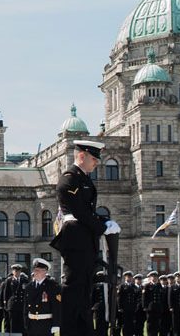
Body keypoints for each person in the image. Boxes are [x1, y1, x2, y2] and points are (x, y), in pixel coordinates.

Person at [51, 139, 121, 336]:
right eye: (94, 159)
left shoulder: (84, 179)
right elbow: (80, 211)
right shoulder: (69, 179)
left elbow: (88, 211)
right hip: (75, 238)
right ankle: (70, 330)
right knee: (74, 288)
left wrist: (104, 221)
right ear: (81, 156)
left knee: (84, 290)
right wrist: (101, 226)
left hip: (85, 238)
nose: (96, 163)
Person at [24, 258, 63, 336]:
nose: (35, 272)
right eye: (35, 270)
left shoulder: (53, 286)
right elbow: (25, 308)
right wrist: (25, 323)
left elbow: (57, 306)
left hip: (46, 324)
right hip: (31, 323)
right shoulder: (29, 287)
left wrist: (56, 324)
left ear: (45, 271)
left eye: (38, 270)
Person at [4, 263, 29, 335]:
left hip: (22, 305)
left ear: (20, 272)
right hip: (13, 306)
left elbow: (26, 293)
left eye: (18, 271)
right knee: (13, 325)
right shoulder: (9, 281)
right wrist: (6, 305)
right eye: (15, 271)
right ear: (12, 272)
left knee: (22, 324)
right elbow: (6, 294)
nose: (17, 272)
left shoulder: (24, 280)